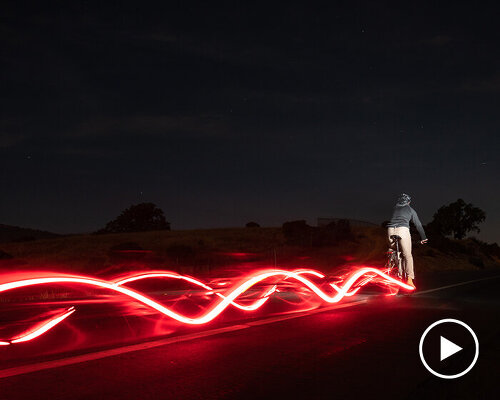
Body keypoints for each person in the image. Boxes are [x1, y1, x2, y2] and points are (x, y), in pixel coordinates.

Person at [387, 193, 428, 288]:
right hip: (403, 230)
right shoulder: (410, 209)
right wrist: (423, 237)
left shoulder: (395, 208)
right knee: (407, 255)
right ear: (409, 202)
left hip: (390, 230)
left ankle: (392, 262)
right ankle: (409, 279)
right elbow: (418, 225)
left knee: (394, 250)